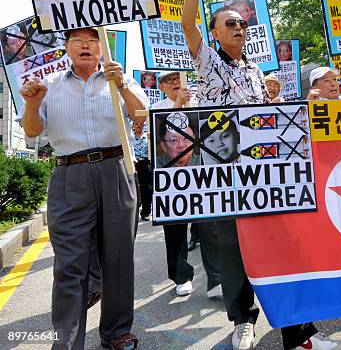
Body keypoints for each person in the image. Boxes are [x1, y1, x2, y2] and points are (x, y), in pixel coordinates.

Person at [182, 0, 341, 350]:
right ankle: (242, 320)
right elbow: (188, 24)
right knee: (234, 250)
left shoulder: (256, 71)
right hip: (224, 171)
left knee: (280, 248)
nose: (239, 28)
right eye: (230, 23)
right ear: (216, 33)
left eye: (242, 24)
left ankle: (299, 334)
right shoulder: (208, 64)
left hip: (265, 169)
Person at [19, 27, 147, 350]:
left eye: (92, 40)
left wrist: (121, 85)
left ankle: (117, 332)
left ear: (102, 46)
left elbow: (141, 113)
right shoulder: (49, 86)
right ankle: (66, 341)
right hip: (69, 176)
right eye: (78, 40)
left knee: (118, 258)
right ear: (67, 47)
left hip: (116, 169)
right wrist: (33, 106)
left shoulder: (119, 79)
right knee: (69, 264)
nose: (86, 45)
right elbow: (33, 131)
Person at [152, 73, 222, 299]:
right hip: (172, 179)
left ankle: (216, 280)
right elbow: (155, 141)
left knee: (210, 229)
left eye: (178, 77)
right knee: (175, 230)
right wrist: (178, 105)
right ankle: (182, 277)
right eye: (169, 79)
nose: (175, 82)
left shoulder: (200, 101)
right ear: (161, 86)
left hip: (202, 174)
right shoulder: (156, 107)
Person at [132, 121, 152, 221]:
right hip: (133, 164)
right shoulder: (130, 137)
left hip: (145, 163)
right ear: (133, 126)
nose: (139, 126)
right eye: (136, 124)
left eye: (140, 124)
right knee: (134, 189)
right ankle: (133, 214)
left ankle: (146, 212)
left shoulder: (148, 137)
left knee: (147, 189)